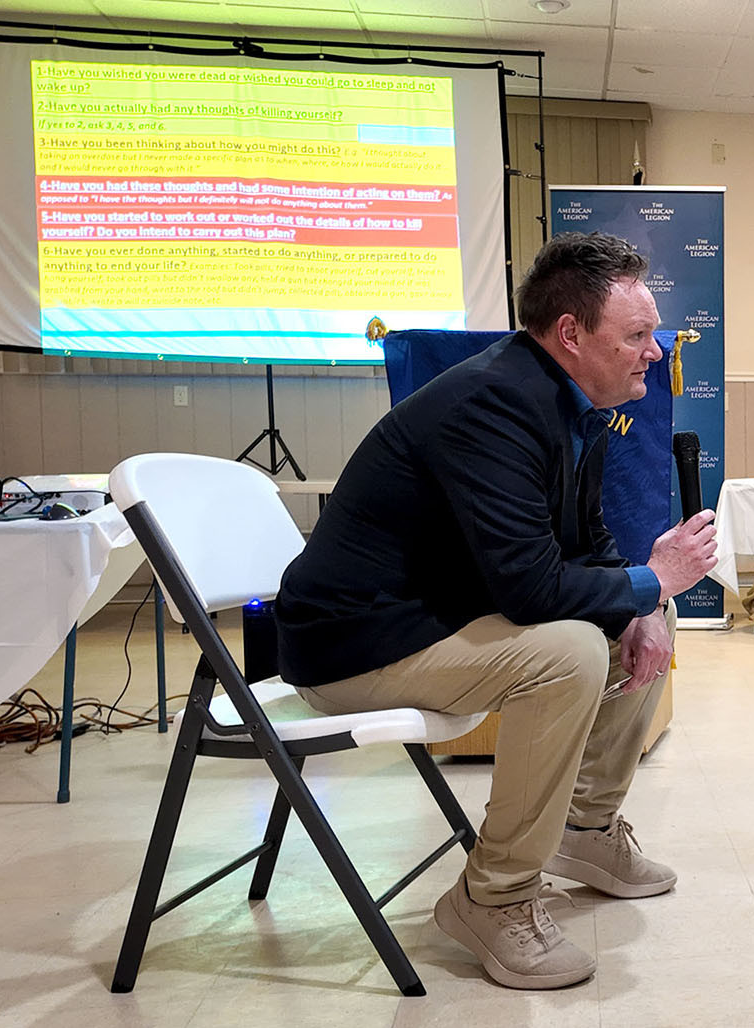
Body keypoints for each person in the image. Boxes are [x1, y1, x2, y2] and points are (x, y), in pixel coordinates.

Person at [275, 232, 719, 990]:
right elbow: (531, 591)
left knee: (642, 615)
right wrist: (649, 580)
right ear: (571, 334)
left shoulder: (568, 400)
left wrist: (648, 596)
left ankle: (584, 829)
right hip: (357, 647)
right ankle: (495, 896)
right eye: (638, 336)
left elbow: (588, 542)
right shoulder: (493, 405)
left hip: (435, 618)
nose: (654, 350)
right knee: (575, 648)